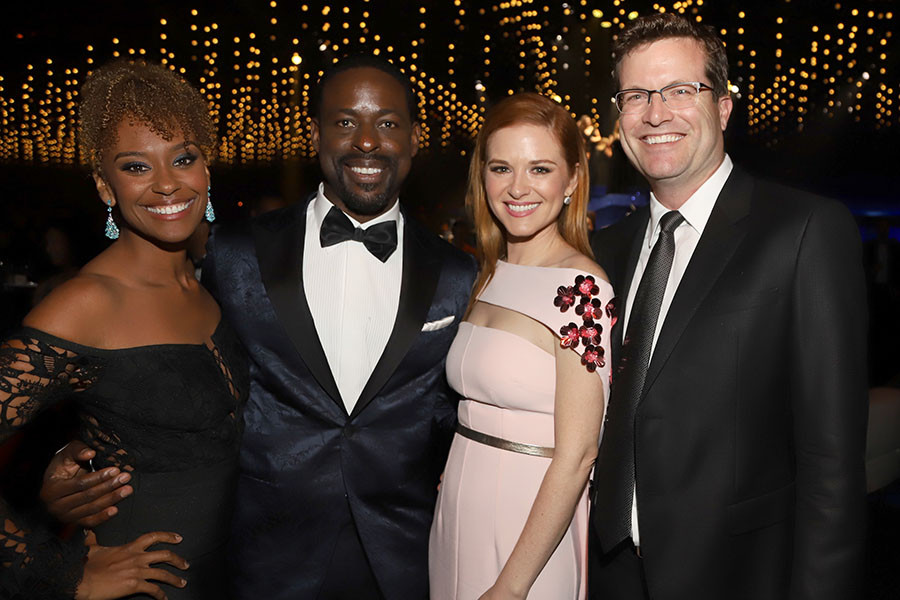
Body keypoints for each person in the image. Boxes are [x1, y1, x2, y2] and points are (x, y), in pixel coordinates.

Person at [43, 55, 477, 599]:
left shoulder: (460, 273)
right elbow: (180, 374)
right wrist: (79, 452)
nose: (367, 140)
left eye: (387, 123)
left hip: (403, 557)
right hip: (262, 555)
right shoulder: (236, 251)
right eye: (345, 121)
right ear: (315, 133)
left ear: (415, 138)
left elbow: (452, 405)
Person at [587, 13, 867, 600]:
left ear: (723, 107)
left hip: (741, 573)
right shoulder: (604, 250)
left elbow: (832, 462)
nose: (656, 113)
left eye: (681, 90)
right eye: (636, 95)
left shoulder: (803, 230)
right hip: (608, 572)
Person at [0, 60, 247, 599]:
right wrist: (64, 571)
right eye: (136, 167)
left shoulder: (209, 285)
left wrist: (79, 445)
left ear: (207, 168)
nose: (166, 183)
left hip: (231, 570)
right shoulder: (86, 302)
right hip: (151, 584)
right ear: (104, 187)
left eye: (184, 158)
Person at [429, 93, 612, 599]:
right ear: (482, 175)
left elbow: (579, 454)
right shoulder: (489, 274)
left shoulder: (581, 290)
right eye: (502, 167)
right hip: (458, 512)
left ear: (573, 179)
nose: (517, 188)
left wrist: (510, 588)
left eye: (540, 168)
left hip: (528, 534)